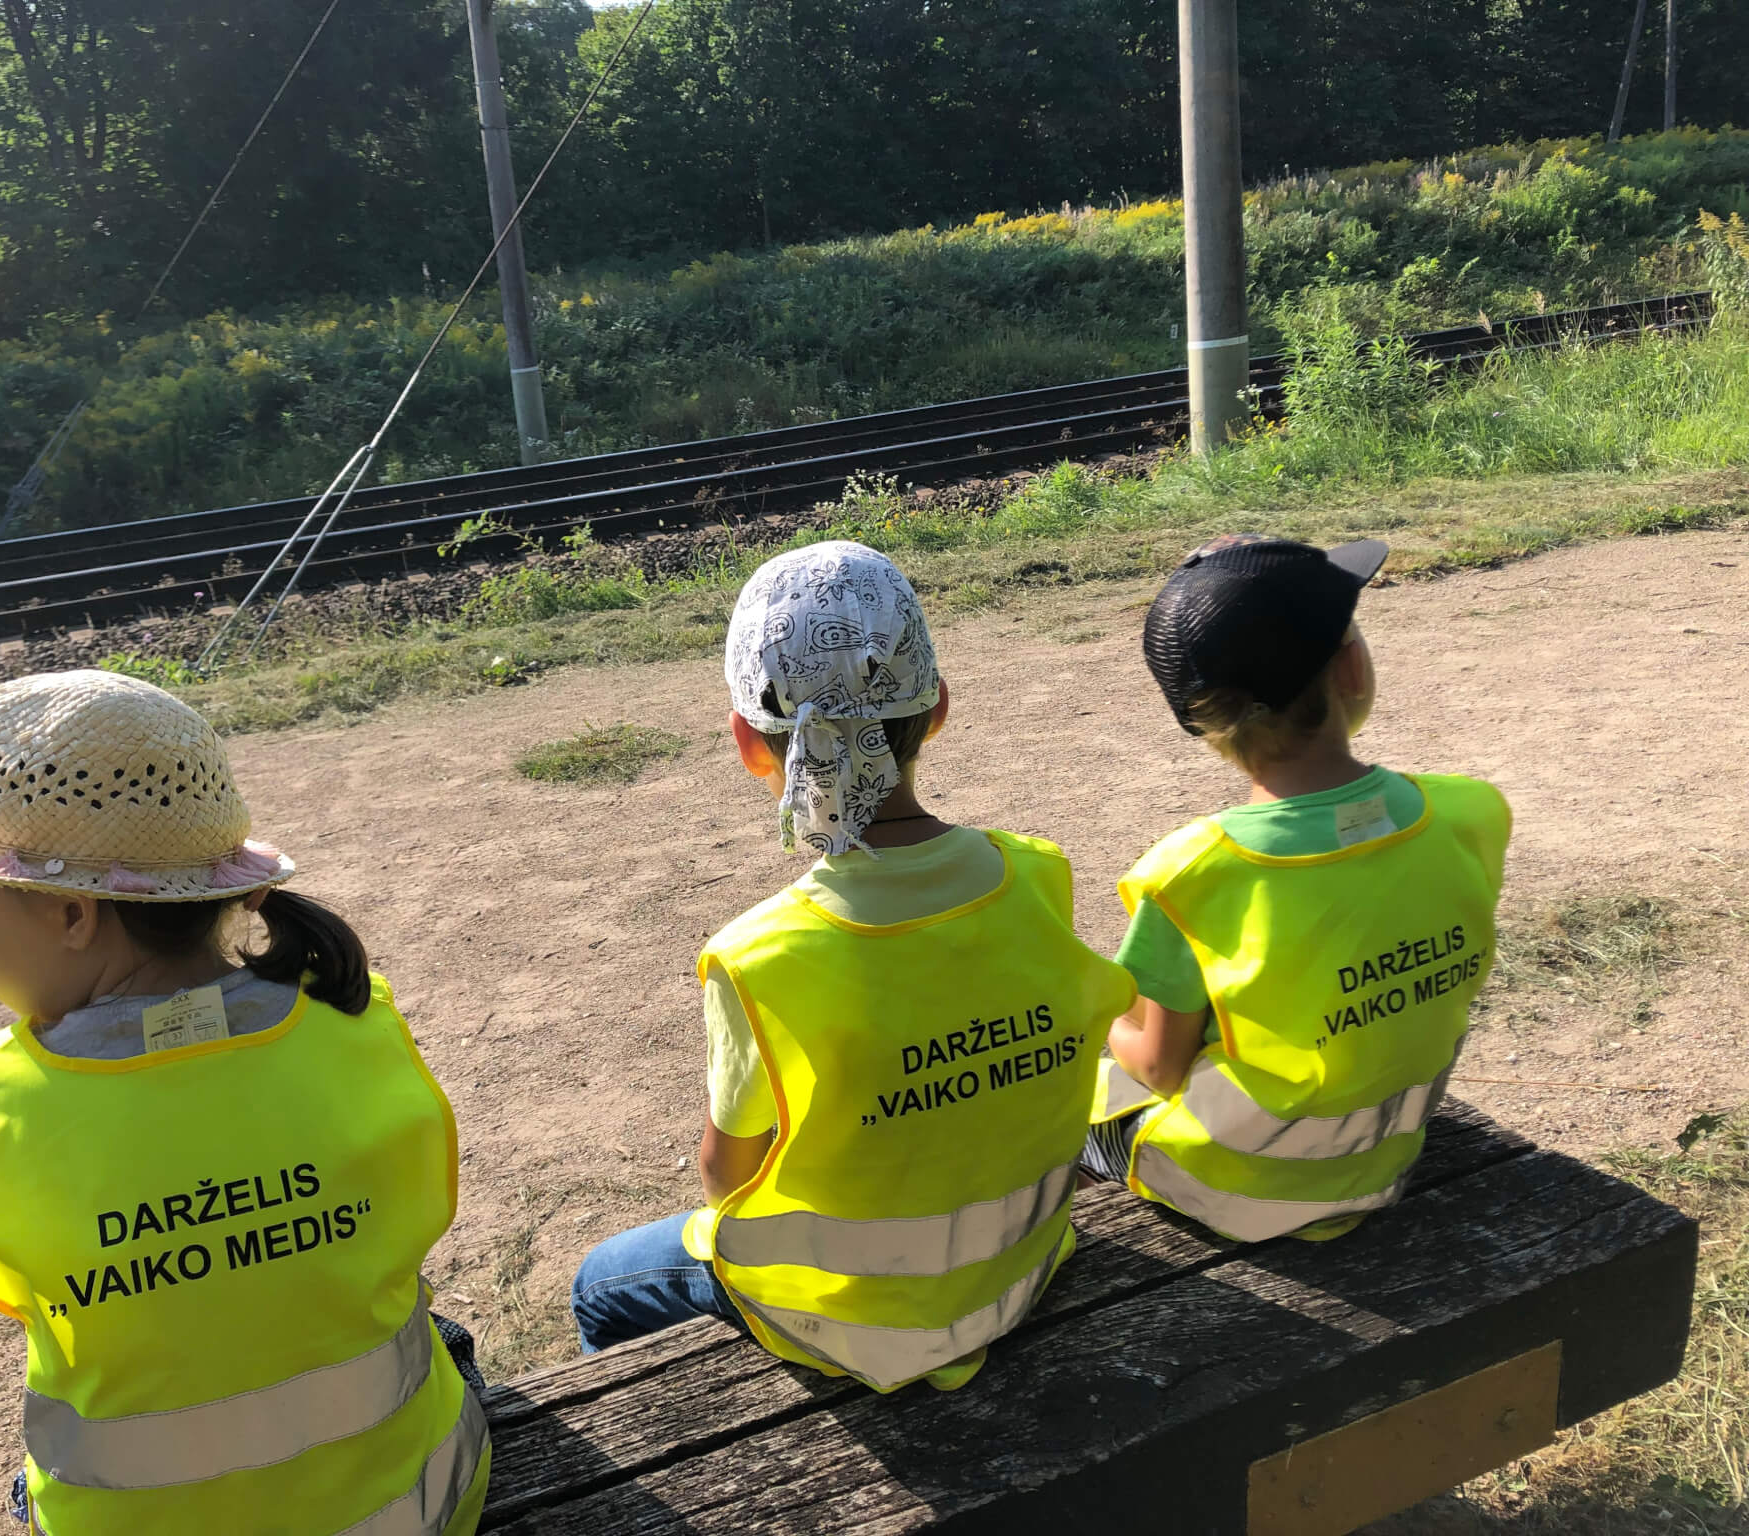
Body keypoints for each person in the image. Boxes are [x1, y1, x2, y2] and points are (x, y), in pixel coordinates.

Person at [0, 669, 487, 1536]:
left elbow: (28, 1294)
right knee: (436, 1335)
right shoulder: (358, 1025)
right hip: (420, 1513)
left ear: (73, 916)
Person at [570, 541, 1136, 1392]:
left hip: (855, 1322)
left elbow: (726, 1179)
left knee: (599, 1283)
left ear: (748, 742)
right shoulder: (1037, 873)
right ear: (937, 708)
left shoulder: (758, 958)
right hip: (1023, 1265)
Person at [1083, 534, 1511, 1243]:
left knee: (1075, 1096)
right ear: (1351, 669)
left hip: (1244, 1185)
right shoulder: (1470, 812)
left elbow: (1158, 1067)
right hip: (1390, 1148)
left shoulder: (1193, 873)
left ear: (1201, 720)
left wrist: (1095, 1008)